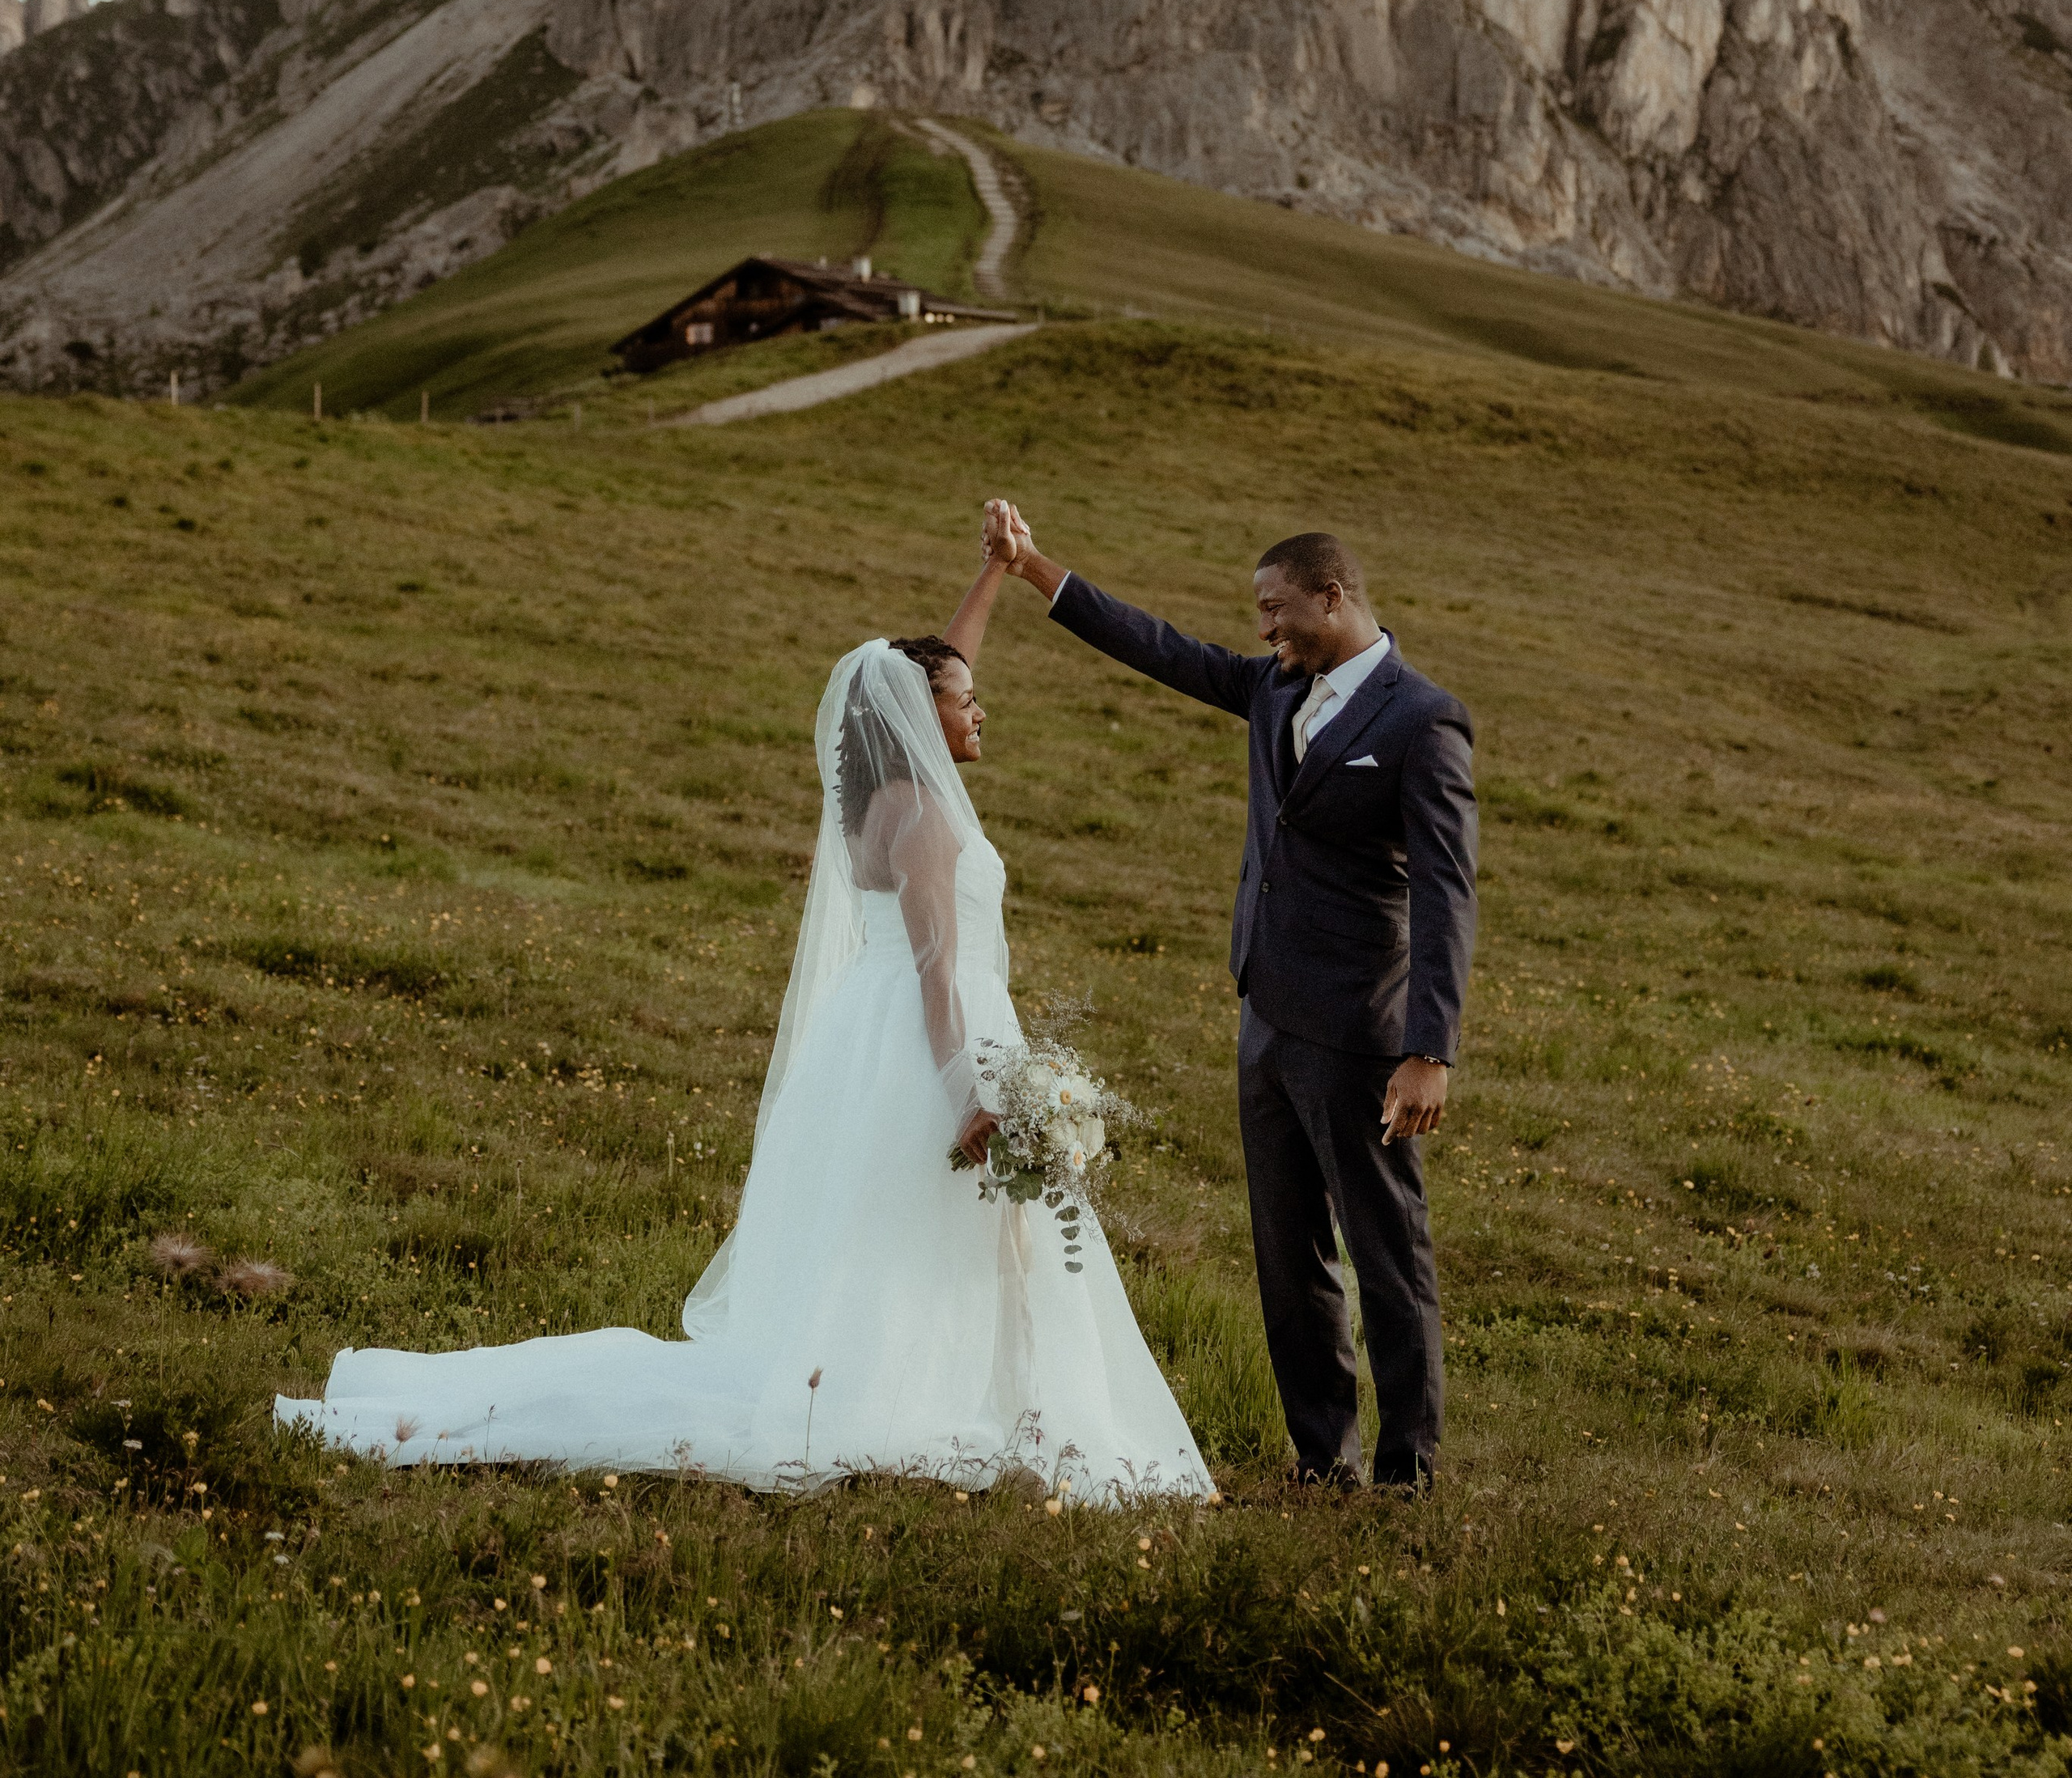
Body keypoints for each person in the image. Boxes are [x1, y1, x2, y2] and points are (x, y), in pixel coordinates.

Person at [274, 524, 1212, 1502]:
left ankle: (978, 1393)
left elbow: (928, 675)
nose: (981, 707)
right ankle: (961, 1401)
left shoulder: (884, 798)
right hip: (935, 1038)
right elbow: (939, 971)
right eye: (964, 699)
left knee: (903, 1230)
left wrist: (996, 571)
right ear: (918, 715)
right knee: (941, 1229)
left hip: (875, 1037)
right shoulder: (928, 817)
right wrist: (967, 1092)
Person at [987, 500, 1475, 1492]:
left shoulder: (1422, 719)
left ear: (1330, 598)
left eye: (1274, 607)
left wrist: (1429, 1048)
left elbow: (1445, 892)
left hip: (1359, 1030)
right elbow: (1161, 648)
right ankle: (1322, 1457)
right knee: (1286, 1254)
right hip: (1266, 1016)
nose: (1262, 626)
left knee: (1386, 1254)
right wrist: (1034, 567)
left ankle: (1407, 1471)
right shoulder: (1271, 687)